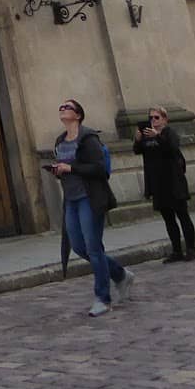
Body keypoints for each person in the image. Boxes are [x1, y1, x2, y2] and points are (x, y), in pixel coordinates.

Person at [52, 98, 132, 317]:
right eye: (61, 107)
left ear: (78, 114)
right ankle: (120, 274)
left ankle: (102, 299)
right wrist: (59, 170)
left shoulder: (88, 138)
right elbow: (69, 169)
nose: (62, 109)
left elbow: (98, 169)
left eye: (67, 107)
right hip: (71, 198)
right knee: (78, 246)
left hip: (89, 197)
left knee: (94, 247)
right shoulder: (60, 140)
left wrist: (71, 168)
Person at [133, 105, 195, 262]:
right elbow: (137, 150)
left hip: (174, 181)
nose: (153, 121)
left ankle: (191, 248)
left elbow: (172, 148)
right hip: (157, 183)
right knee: (168, 219)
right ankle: (176, 250)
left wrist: (158, 136)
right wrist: (138, 139)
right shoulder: (147, 136)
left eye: (156, 117)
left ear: (164, 119)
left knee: (183, 216)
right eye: (151, 118)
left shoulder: (170, 133)